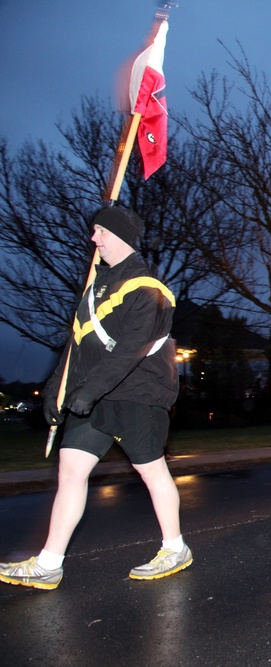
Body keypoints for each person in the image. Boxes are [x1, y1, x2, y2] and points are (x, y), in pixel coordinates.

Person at [1, 207, 188, 590]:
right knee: (70, 471)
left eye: (100, 230)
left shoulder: (148, 288)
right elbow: (75, 348)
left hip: (138, 393)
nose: (94, 238)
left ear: (119, 235)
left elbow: (132, 348)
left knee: (151, 472)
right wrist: (56, 390)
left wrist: (88, 390)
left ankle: (175, 548)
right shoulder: (95, 289)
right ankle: (49, 563)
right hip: (94, 396)